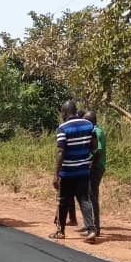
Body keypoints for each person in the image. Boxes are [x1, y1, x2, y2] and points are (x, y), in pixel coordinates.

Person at [51, 100, 97, 242]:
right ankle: (91, 230)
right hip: (83, 170)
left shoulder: (63, 128)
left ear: (65, 113)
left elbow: (61, 151)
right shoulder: (89, 125)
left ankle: (61, 231)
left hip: (68, 171)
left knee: (63, 200)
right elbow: (94, 146)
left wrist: (56, 174)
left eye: (62, 113)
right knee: (84, 199)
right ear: (76, 111)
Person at [84, 109, 106, 236]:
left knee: (93, 196)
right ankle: (91, 225)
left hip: (96, 167)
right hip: (94, 166)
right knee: (89, 195)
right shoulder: (94, 130)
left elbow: (98, 151)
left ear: (91, 121)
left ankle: (96, 227)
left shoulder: (96, 131)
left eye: (85, 121)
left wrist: (92, 166)